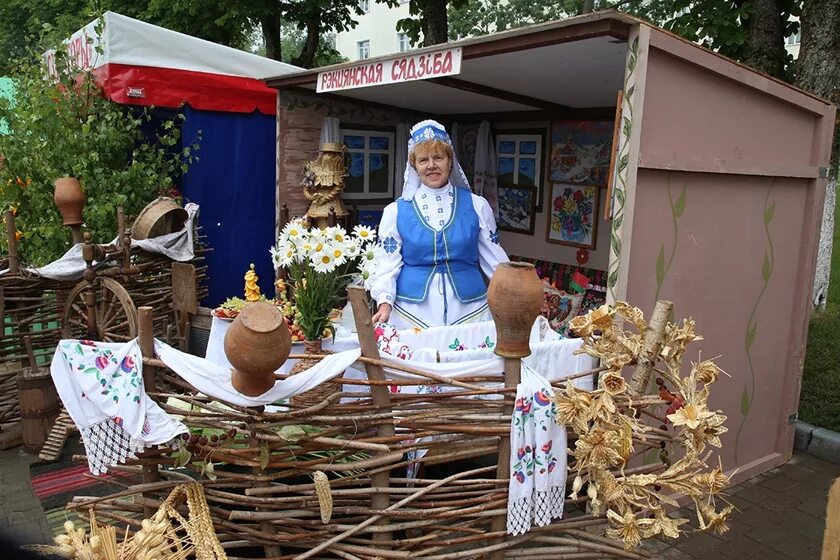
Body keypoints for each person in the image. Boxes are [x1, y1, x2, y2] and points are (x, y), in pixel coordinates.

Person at [369, 120, 508, 330]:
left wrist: (514, 295)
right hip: (412, 313)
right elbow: (388, 263)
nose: (431, 165)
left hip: (470, 312)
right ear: (414, 166)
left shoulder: (477, 206)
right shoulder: (395, 212)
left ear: (450, 161)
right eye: (423, 160)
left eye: (438, 158)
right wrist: (385, 302)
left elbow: (495, 261)